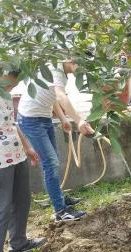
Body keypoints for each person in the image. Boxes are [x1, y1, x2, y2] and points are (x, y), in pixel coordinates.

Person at [0, 69, 46, 252]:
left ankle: (18, 243)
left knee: (22, 201)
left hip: (17, 156)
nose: (12, 88)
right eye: (9, 84)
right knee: (0, 212)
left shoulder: (5, 95)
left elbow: (12, 124)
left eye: (13, 85)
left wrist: (27, 146)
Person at [17, 60, 94, 222]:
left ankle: (59, 198)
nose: (82, 70)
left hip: (43, 118)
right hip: (31, 120)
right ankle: (60, 211)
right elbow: (60, 95)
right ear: (72, 60)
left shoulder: (61, 71)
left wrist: (62, 118)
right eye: (82, 64)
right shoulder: (55, 70)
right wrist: (79, 120)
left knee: (53, 162)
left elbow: (52, 96)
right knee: (50, 163)